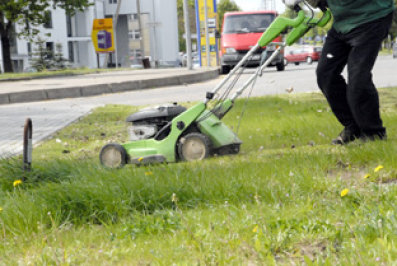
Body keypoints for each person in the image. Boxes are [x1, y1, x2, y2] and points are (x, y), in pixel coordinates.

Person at [284, 0, 395, 144]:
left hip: (371, 19)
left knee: (358, 79)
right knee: (326, 74)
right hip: (342, 24)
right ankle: (353, 126)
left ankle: (374, 133)